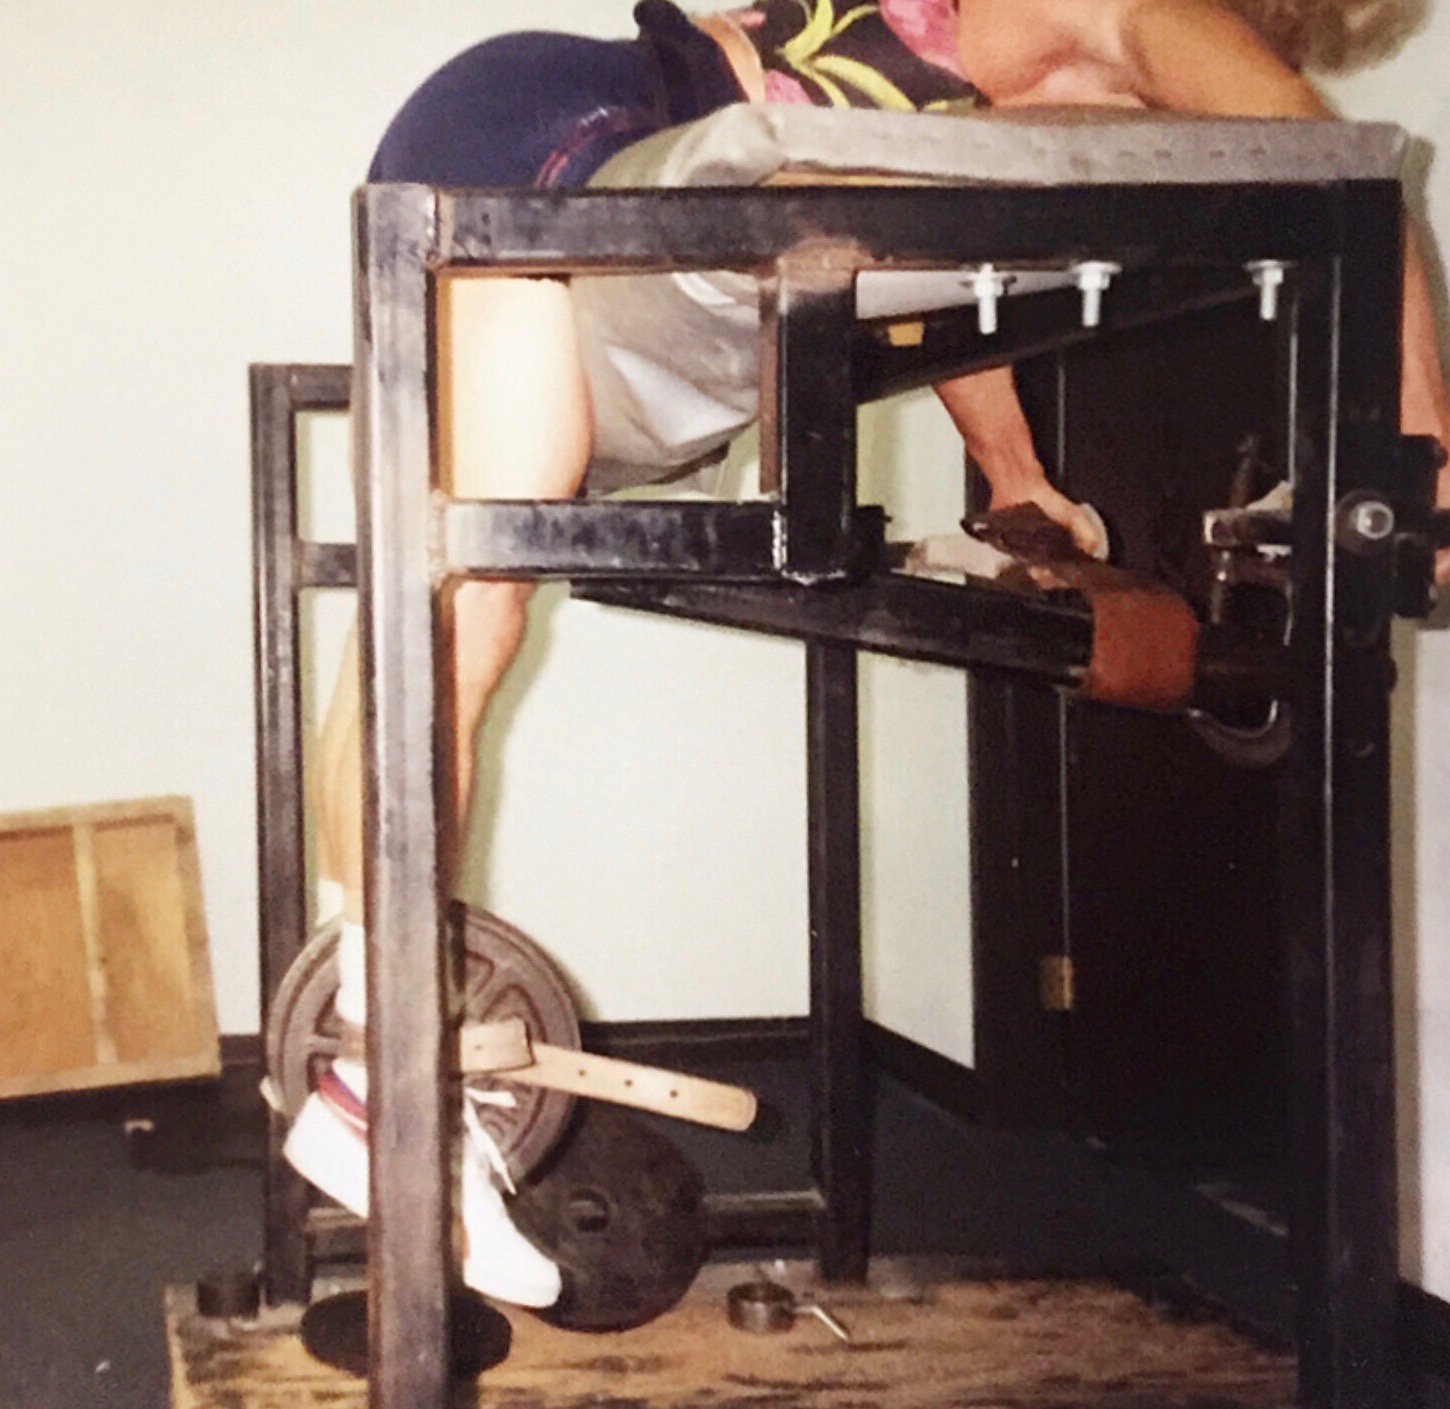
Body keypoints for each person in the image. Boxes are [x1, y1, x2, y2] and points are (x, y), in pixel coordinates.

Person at [287, 0, 1450, 1310]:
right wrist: (1426, 458)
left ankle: (365, 1049)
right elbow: (1335, 167)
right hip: (561, 130)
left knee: (431, 620)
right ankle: (385, 1091)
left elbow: (940, 212)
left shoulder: (1048, 63)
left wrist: (1015, 476)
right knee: (460, 610)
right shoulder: (1133, 10)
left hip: (513, 119)